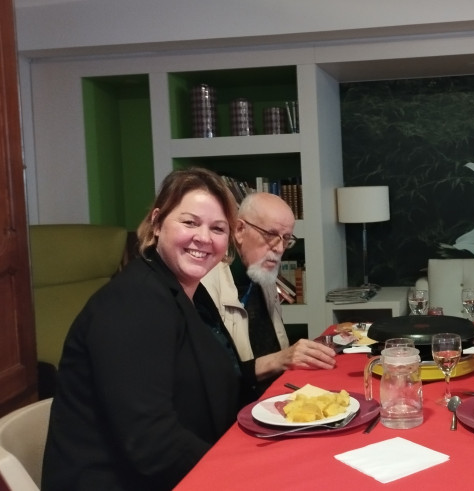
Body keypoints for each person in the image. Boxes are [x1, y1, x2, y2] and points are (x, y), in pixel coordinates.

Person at [42, 168, 245, 491]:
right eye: (190, 222)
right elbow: (152, 444)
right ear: (157, 222)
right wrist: (240, 477)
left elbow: (216, 376)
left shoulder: (188, 292)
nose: (204, 238)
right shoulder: (134, 302)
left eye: (217, 228)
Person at [203, 191, 336, 382]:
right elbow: (215, 374)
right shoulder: (205, 284)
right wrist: (282, 359)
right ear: (240, 230)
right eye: (270, 234)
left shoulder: (262, 273)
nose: (279, 248)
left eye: (286, 238)